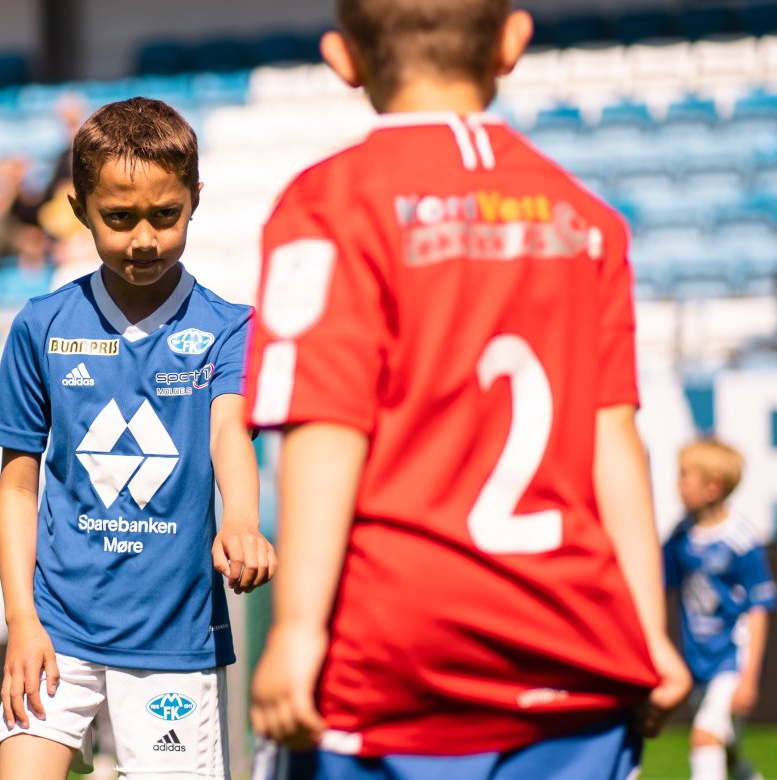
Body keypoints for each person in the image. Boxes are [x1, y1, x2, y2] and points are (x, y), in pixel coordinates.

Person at [243, 1, 692, 778]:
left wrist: (297, 628)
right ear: (514, 43)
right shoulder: (588, 219)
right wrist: (649, 631)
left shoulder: (328, 205)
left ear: (341, 58)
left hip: (393, 665)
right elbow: (613, 436)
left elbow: (324, 427)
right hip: (578, 653)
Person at [0, 97, 276, 779]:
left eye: (164, 215)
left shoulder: (230, 328)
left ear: (195, 199)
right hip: (56, 629)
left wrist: (240, 520)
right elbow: (17, 485)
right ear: (80, 206)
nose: (143, 238)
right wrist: (21, 622)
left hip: (173, 639)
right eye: (119, 218)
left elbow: (229, 429)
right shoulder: (40, 326)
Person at [665, 440, 775, 780]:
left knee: (705, 737)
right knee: (724, 751)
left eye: (686, 477)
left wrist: (748, 677)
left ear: (712, 488)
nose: (678, 485)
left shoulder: (740, 540)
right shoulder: (682, 536)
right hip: (699, 661)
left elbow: (758, 609)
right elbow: (661, 583)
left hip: (732, 660)